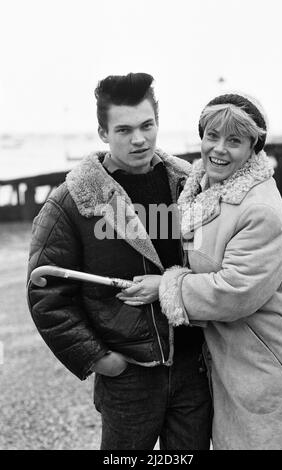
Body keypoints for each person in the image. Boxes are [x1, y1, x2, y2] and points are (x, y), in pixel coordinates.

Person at [26, 73, 212, 450]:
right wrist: (100, 359)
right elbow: (44, 291)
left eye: (147, 125)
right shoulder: (73, 200)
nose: (139, 139)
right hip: (129, 375)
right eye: (124, 129)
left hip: (194, 368)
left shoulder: (189, 183)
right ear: (103, 132)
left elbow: (214, 262)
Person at [153, 93, 282, 450]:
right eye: (211, 136)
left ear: (253, 148)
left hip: (263, 361)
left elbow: (236, 290)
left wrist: (167, 286)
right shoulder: (206, 186)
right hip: (232, 356)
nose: (219, 149)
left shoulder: (258, 208)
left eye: (234, 140)